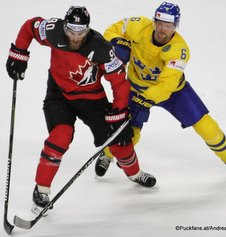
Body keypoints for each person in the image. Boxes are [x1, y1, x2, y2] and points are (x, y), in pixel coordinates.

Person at [6, 5, 157, 215]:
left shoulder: (102, 48)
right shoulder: (52, 30)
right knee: (60, 136)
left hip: (93, 100)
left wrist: (119, 112)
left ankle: (134, 173)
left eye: (81, 32)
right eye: (70, 31)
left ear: (87, 29)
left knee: (120, 142)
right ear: (64, 27)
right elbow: (29, 27)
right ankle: (41, 190)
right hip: (59, 96)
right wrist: (19, 54)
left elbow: (120, 84)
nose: (75, 37)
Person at [94, 2, 226, 178]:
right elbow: (110, 31)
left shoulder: (179, 49)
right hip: (137, 89)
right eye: (160, 23)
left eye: (168, 26)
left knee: (207, 126)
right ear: (154, 21)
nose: (162, 30)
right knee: (130, 133)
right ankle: (108, 155)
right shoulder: (137, 24)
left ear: (176, 26)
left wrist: (148, 98)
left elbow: (167, 84)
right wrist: (116, 43)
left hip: (174, 93)